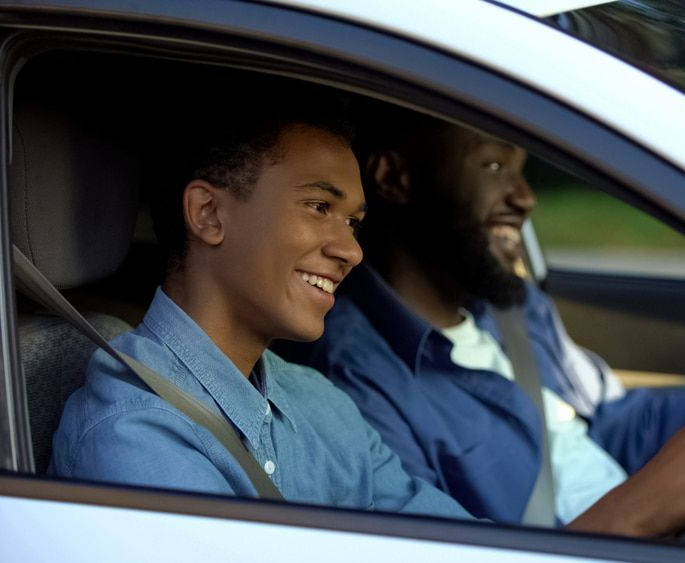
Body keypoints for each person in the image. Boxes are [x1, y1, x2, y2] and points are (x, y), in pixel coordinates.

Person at [275, 107, 685, 535]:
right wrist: (657, 498)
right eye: (495, 164)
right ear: (396, 180)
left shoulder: (510, 303)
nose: (525, 197)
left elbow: (608, 421)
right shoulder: (351, 381)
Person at [50, 91, 469, 517]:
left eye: (353, 223)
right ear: (209, 214)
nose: (352, 251)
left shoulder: (323, 403)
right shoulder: (135, 435)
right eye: (319, 207)